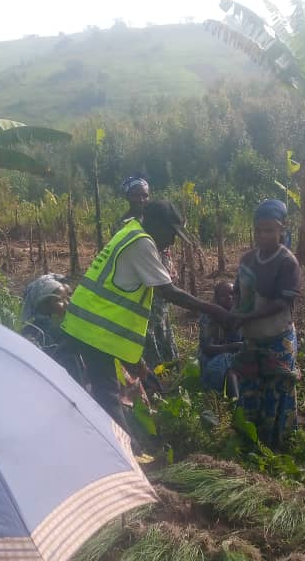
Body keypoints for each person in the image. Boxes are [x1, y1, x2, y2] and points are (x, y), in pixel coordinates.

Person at [61, 200, 231, 429]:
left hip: (86, 325)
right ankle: (124, 447)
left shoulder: (130, 232)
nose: (172, 241)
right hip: (93, 331)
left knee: (82, 390)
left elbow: (117, 303)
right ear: (155, 223)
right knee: (107, 399)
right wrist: (215, 310)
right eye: (171, 233)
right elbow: (168, 291)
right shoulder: (141, 242)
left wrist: (138, 365)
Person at [230, 199, 301, 449]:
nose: (262, 235)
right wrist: (234, 311)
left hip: (277, 338)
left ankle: (277, 446)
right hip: (252, 337)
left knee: (276, 392)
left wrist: (248, 317)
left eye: (269, 230)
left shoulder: (287, 262)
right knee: (251, 389)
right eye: (258, 230)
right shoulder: (248, 259)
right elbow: (238, 292)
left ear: (282, 229)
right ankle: (250, 443)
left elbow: (282, 303)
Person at [119, 175, 179, 369]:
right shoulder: (126, 226)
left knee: (161, 323)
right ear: (127, 196)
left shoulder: (155, 220)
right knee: (148, 328)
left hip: (160, 283)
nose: (142, 199)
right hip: (145, 286)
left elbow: (164, 251)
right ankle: (152, 369)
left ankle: (165, 366)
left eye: (145, 195)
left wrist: (170, 269)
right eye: (136, 195)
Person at [20, 274, 83, 381]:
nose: (67, 303)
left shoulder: (63, 329)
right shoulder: (36, 334)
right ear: (44, 305)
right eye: (59, 300)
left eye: (67, 297)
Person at [198, 281, 243, 397]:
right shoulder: (208, 316)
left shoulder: (240, 314)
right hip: (212, 359)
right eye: (224, 295)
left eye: (232, 294)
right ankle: (234, 403)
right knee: (227, 368)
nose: (229, 297)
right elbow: (206, 348)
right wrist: (233, 347)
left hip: (237, 356)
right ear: (216, 298)